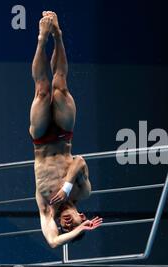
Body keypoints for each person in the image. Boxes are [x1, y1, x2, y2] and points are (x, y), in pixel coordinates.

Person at [29, 11, 102, 248]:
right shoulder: (82, 192)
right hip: (63, 135)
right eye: (75, 224)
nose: (67, 225)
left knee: (42, 90)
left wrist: (78, 230)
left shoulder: (46, 208)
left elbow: (52, 241)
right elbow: (80, 161)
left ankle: (42, 38)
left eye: (67, 228)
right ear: (83, 215)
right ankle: (58, 35)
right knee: (60, 86)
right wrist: (68, 185)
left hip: (40, 140)